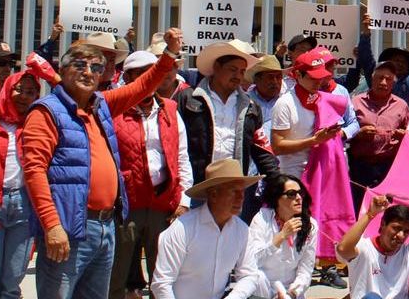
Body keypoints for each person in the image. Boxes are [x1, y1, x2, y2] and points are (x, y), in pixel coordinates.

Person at [20, 28, 183, 299]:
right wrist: (52, 225)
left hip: (106, 226)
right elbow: (34, 171)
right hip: (69, 226)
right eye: (80, 65)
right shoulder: (46, 111)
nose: (88, 72)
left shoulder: (100, 105)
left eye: (96, 66)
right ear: (63, 69)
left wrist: (168, 55)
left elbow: (142, 86)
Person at [108, 50, 193, 299]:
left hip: (163, 204)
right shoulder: (114, 110)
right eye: (140, 74)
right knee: (118, 274)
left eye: (151, 73)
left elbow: (182, 158)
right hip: (127, 205)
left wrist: (184, 201)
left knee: (163, 275)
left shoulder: (170, 109)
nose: (148, 79)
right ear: (129, 78)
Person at [173, 40, 279, 223]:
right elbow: (174, 144)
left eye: (242, 71)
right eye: (232, 69)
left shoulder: (251, 107)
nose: (238, 76)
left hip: (232, 191)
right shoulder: (187, 99)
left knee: (228, 241)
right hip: (195, 189)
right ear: (216, 67)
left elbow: (262, 150)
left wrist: (278, 182)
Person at [150, 159, 261, 299]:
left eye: (242, 191)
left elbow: (249, 275)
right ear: (213, 195)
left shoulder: (242, 231)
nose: (241, 198)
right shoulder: (183, 229)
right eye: (234, 191)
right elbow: (161, 283)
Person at [0, 69, 41, 299]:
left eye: (30, 92)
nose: (23, 96)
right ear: (7, 89)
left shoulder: (37, 124)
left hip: (24, 203)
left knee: (13, 281)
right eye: (19, 89)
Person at [337, 195, 409, 299]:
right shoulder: (364, 248)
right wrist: (370, 214)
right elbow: (342, 249)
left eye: (406, 231)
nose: (401, 236)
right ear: (383, 224)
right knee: (372, 297)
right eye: (396, 228)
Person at [232, 175, 316, 299]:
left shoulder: (310, 225)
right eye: (291, 194)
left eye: (300, 193)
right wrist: (281, 237)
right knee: (256, 275)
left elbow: (306, 270)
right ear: (277, 198)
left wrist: (292, 293)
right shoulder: (262, 219)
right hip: (264, 288)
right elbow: (252, 261)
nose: (298, 198)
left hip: (292, 292)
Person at [272, 48, 347, 179]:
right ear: (298, 75)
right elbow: (278, 147)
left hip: (323, 172)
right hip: (294, 176)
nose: (318, 82)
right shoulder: (285, 103)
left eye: (321, 77)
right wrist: (314, 141)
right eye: (313, 77)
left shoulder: (326, 100)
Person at [349, 61, 409, 211]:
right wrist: (358, 133)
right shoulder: (355, 102)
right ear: (372, 78)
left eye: (388, 79)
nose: (383, 82)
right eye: (379, 78)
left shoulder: (402, 106)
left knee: (385, 209)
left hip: (387, 168)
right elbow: (342, 133)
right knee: (357, 207)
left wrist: (404, 137)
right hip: (359, 166)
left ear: (393, 83)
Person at [352, 15, 409, 106]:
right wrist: (366, 33)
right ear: (387, 63)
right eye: (396, 61)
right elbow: (367, 59)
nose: (400, 64)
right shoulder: (377, 77)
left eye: (403, 62)